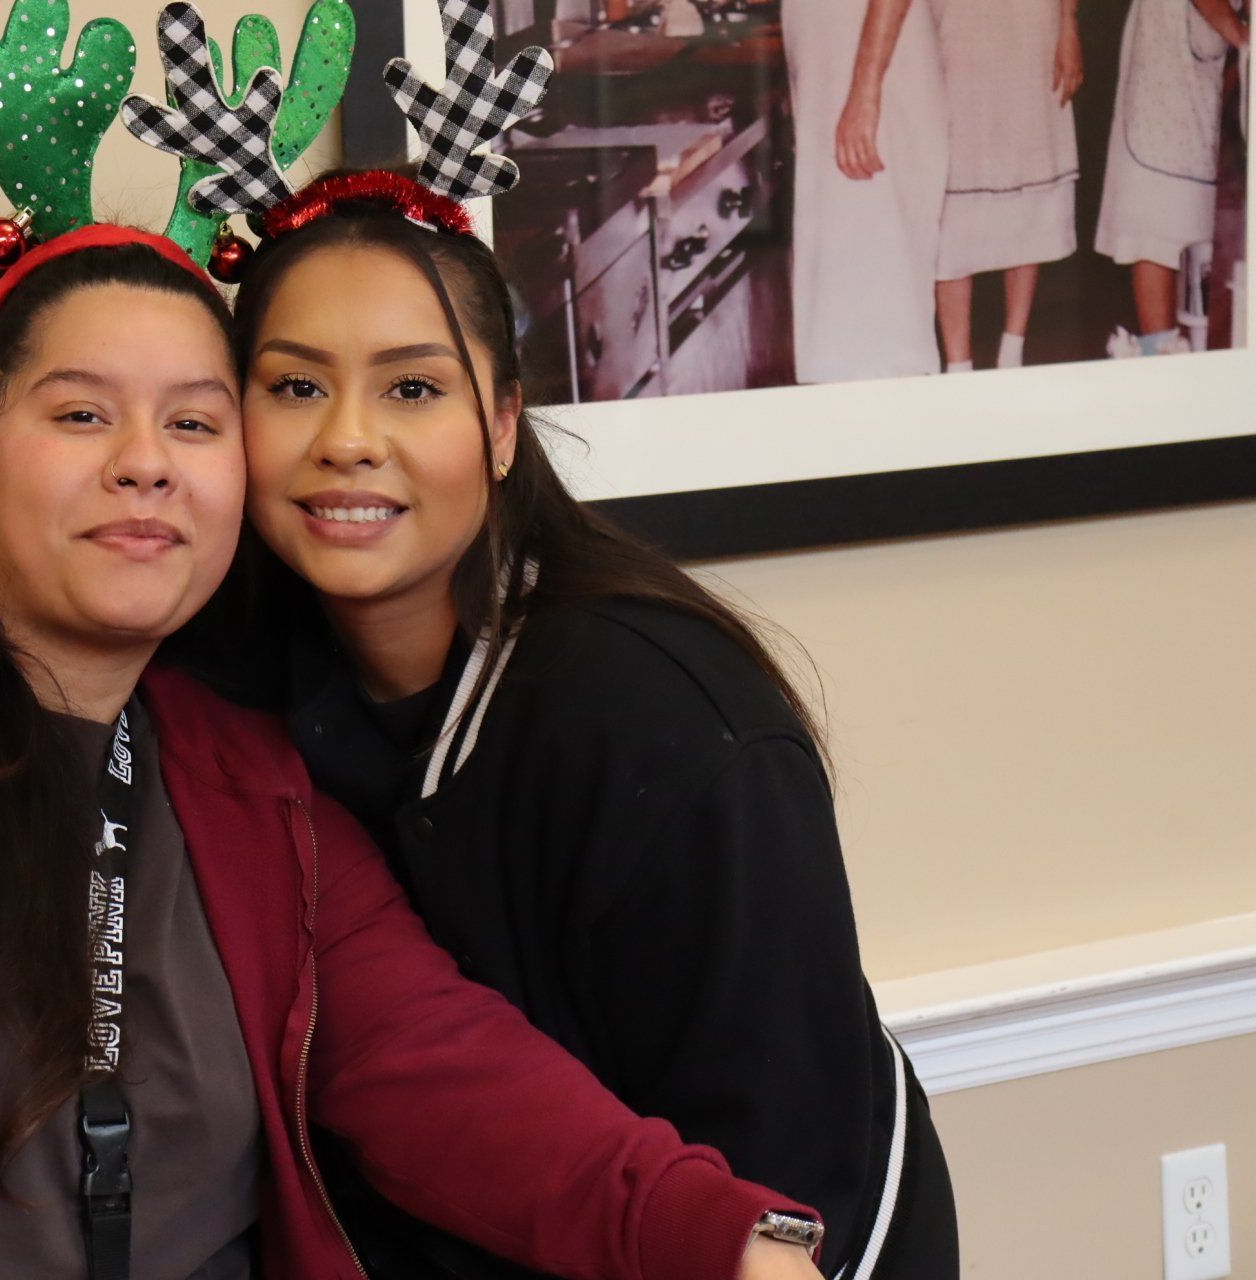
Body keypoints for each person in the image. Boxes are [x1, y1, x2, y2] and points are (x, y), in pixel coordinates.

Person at [0, 226, 827, 1280]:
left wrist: (719, 1243)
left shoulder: (239, 775)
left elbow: (439, 1067)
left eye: (198, 424)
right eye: (84, 416)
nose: (145, 466)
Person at [190, 177, 960, 1279]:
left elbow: (804, 1192)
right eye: (296, 384)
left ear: (503, 424)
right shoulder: (228, 690)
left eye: (413, 387)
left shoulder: (656, 723)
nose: (348, 438)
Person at [786, 0, 949, 382]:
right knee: (845, 305)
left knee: (882, 307)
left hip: (876, 91)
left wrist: (865, 91)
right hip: (839, 85)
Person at [930, 0, 1083, 371]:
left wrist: (1068, 25)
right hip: (954, 33)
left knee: (1027, 184)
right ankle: (958, 367)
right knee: (952, 205)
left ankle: (1012, 355)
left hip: (1031, 28)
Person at [1095, 0, 1248, 356]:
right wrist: (1238, 34)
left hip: (1202, 62)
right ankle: (1158, 355)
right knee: (1154, 223)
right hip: (1165, 56)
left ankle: (1184, 352)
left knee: (1190, 226)